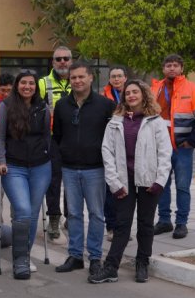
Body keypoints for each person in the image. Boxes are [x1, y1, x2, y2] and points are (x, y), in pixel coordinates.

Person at [94, 80, 171, 284]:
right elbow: (107, 152)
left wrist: (160, 181)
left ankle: (142, 263)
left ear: (144, 94)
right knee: (121, 225)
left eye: (135, 92)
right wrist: (114, 182)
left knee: (146, 224)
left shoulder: (155, 121)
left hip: (149, 179)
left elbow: (165, 153)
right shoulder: (115, 122)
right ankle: (111, 267)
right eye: (128, 93)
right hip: (124, 180)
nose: (131, 96)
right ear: (123, 97)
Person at [53, 62, 116, 280]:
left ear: (91, 78)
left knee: (97, 215)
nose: (77, 81)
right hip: (70, 169)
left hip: (95, 169)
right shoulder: (61, 106)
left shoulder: (106, 105)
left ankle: (96, 258)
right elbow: (57, 135)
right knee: (73, 214)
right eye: (73, 78)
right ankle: (75, 256)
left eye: (81, 77)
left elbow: (113, 137)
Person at [0, 70, 53, 279]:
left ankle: (25, 255)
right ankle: (20, 261)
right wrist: (1, 161)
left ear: (36, 86)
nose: (27, 86)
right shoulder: (6, 106)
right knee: (23, 210)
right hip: (14, 167)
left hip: (40, 167)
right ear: (17, 85)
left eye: (31, 83)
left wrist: (47, 155)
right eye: (23, 83)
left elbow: (47, 134)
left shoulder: (43, 107)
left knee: (34, 212)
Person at [151, 53, 195, 239]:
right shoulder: (155, 89)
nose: (172, 68)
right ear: (163, 68)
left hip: (182, 147)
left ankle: (181, 223)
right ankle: (164, 221)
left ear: (182, 68)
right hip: (160, 147)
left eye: (176, 65)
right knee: (161, 185)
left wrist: (191, 141)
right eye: (168, 65)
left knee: (182, 186)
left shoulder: (192, 89)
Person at [38, 46, 73, 240]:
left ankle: (71, 216)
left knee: (73, 179)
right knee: (53, 180)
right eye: (58, 59)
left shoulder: (77, 81)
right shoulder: (43, 83)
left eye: (65, 58)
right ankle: (53, 218)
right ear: (53, 62)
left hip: (74, 139)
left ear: (71, 60)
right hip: (51, 139)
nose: (62, 62)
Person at [101, 65, 129, 239]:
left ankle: (123, 226)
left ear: (125, 78)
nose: (117, 79)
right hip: (110, 146)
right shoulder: (104, 97)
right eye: (113, 76)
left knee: (126, 189)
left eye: (119, 76)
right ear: (109, 79)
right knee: (110, 190)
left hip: (128, 147)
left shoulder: (132, 95)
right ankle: (111, 227)